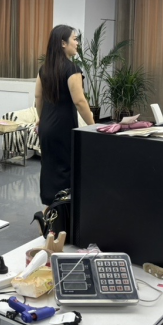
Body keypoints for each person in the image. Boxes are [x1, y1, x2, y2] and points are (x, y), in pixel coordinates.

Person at [35, 25, 95, 205]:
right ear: (63, 43)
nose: (77, 43)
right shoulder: (72, 69)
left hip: (46, 127)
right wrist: (94, 126)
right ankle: (63, 209)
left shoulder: (44, 69)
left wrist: (41, 119)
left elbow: (38, 97)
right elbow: (80, 101)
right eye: (74, 39)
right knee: (65, 169)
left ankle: (50, 209)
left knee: (49, 167)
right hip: (63, 128)